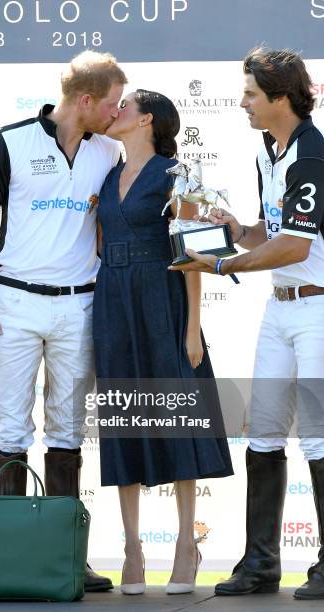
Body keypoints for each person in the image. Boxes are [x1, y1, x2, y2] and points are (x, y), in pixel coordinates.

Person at [0, 50, 127, 592]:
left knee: (67, 430)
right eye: (110, 103)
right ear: (84, 100)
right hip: (12, 302)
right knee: (10, 427)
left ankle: (64, 556)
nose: (116, 111)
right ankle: (10, 556)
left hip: (80, 304)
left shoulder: (110, 150)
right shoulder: (10, 140)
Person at [171, 47, 324, 601]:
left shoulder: (311, 154)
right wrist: (236, 230)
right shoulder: (270, 148)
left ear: (282, 97)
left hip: (316, 310)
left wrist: (223, 264)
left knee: (318, 436)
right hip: (279, 308)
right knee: (261, 432)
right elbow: (272, 232)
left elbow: (295, 244)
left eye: (251, 95)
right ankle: (260, 564)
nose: (243, 104)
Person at [92, 89, 233, 595]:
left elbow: (193, 254)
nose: (115, 111)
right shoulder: (106, 176)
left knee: (177, 418)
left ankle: (184, 545)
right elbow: (100, 246)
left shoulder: (179, 174)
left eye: (124, 106)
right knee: (125, 420)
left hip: (164, 301)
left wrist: (192, 329)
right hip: (113, 303)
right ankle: (132, 548)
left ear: (146, 118)